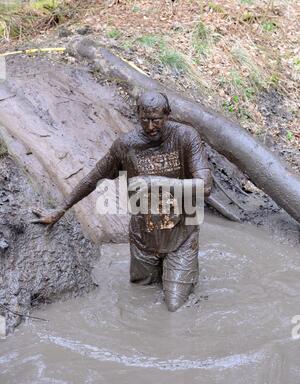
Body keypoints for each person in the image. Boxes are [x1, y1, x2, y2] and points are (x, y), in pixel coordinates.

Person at [32, 91, 212, 311]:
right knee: (139, 299)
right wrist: (61, 209)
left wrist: (155, 181)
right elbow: (93, 178)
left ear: (168, 115)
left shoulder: (185, 136)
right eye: (144, 120)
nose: (150, 127)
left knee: (175, 307)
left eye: (156, 120)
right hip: (143, 236)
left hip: (182, 234)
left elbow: (205, 186)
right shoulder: (126, 145)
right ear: (137, 114)